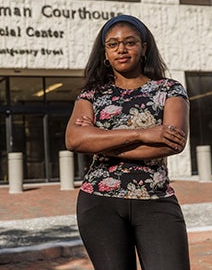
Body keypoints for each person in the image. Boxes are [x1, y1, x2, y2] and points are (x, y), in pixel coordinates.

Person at [65, 14, 190, 270]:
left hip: (156, 199)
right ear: (105, 54)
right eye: (112, 44)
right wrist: (142, 134)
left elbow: (172, 142)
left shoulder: (169, 89)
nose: (121, 49)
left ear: (144, 48)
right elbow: (75, 139)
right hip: (99, 202)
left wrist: (99, 139)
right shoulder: (92, 93)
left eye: (130, 42)